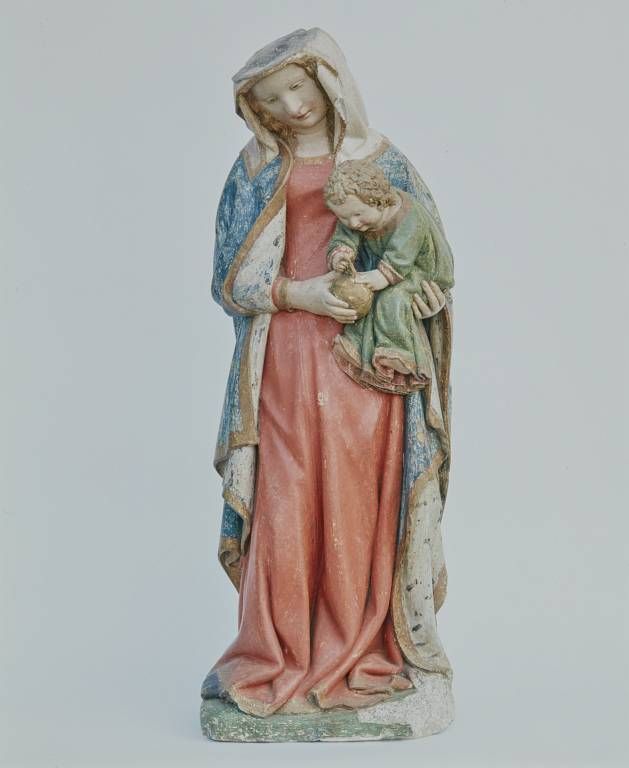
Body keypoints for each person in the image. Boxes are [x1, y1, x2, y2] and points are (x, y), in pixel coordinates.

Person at [202, 28, 454, 719]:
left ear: (326, 80)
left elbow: (430, 254)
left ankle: (361, 644)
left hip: (367, 352)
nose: (292, 106)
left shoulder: (381, 160)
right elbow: (229, 278)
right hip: (287, 350)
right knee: (286, 494)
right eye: (272, 98)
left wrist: (423, 298)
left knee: (356, 495)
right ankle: (280, 650)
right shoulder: (254, 170)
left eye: (298, 86)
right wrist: (299, 293)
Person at [324, 159, 455, 394]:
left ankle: (398, 353)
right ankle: (355, 347)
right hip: (390, 270)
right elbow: (345, 237)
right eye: (344, 217)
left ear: (376, 200)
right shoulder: (355, 216)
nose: (353, 222)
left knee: (391, 299)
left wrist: (380, 277)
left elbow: (401, 256)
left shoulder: (409, 215)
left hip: (421, 271)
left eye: (358, 214)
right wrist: (341, 255)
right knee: (363, 298)